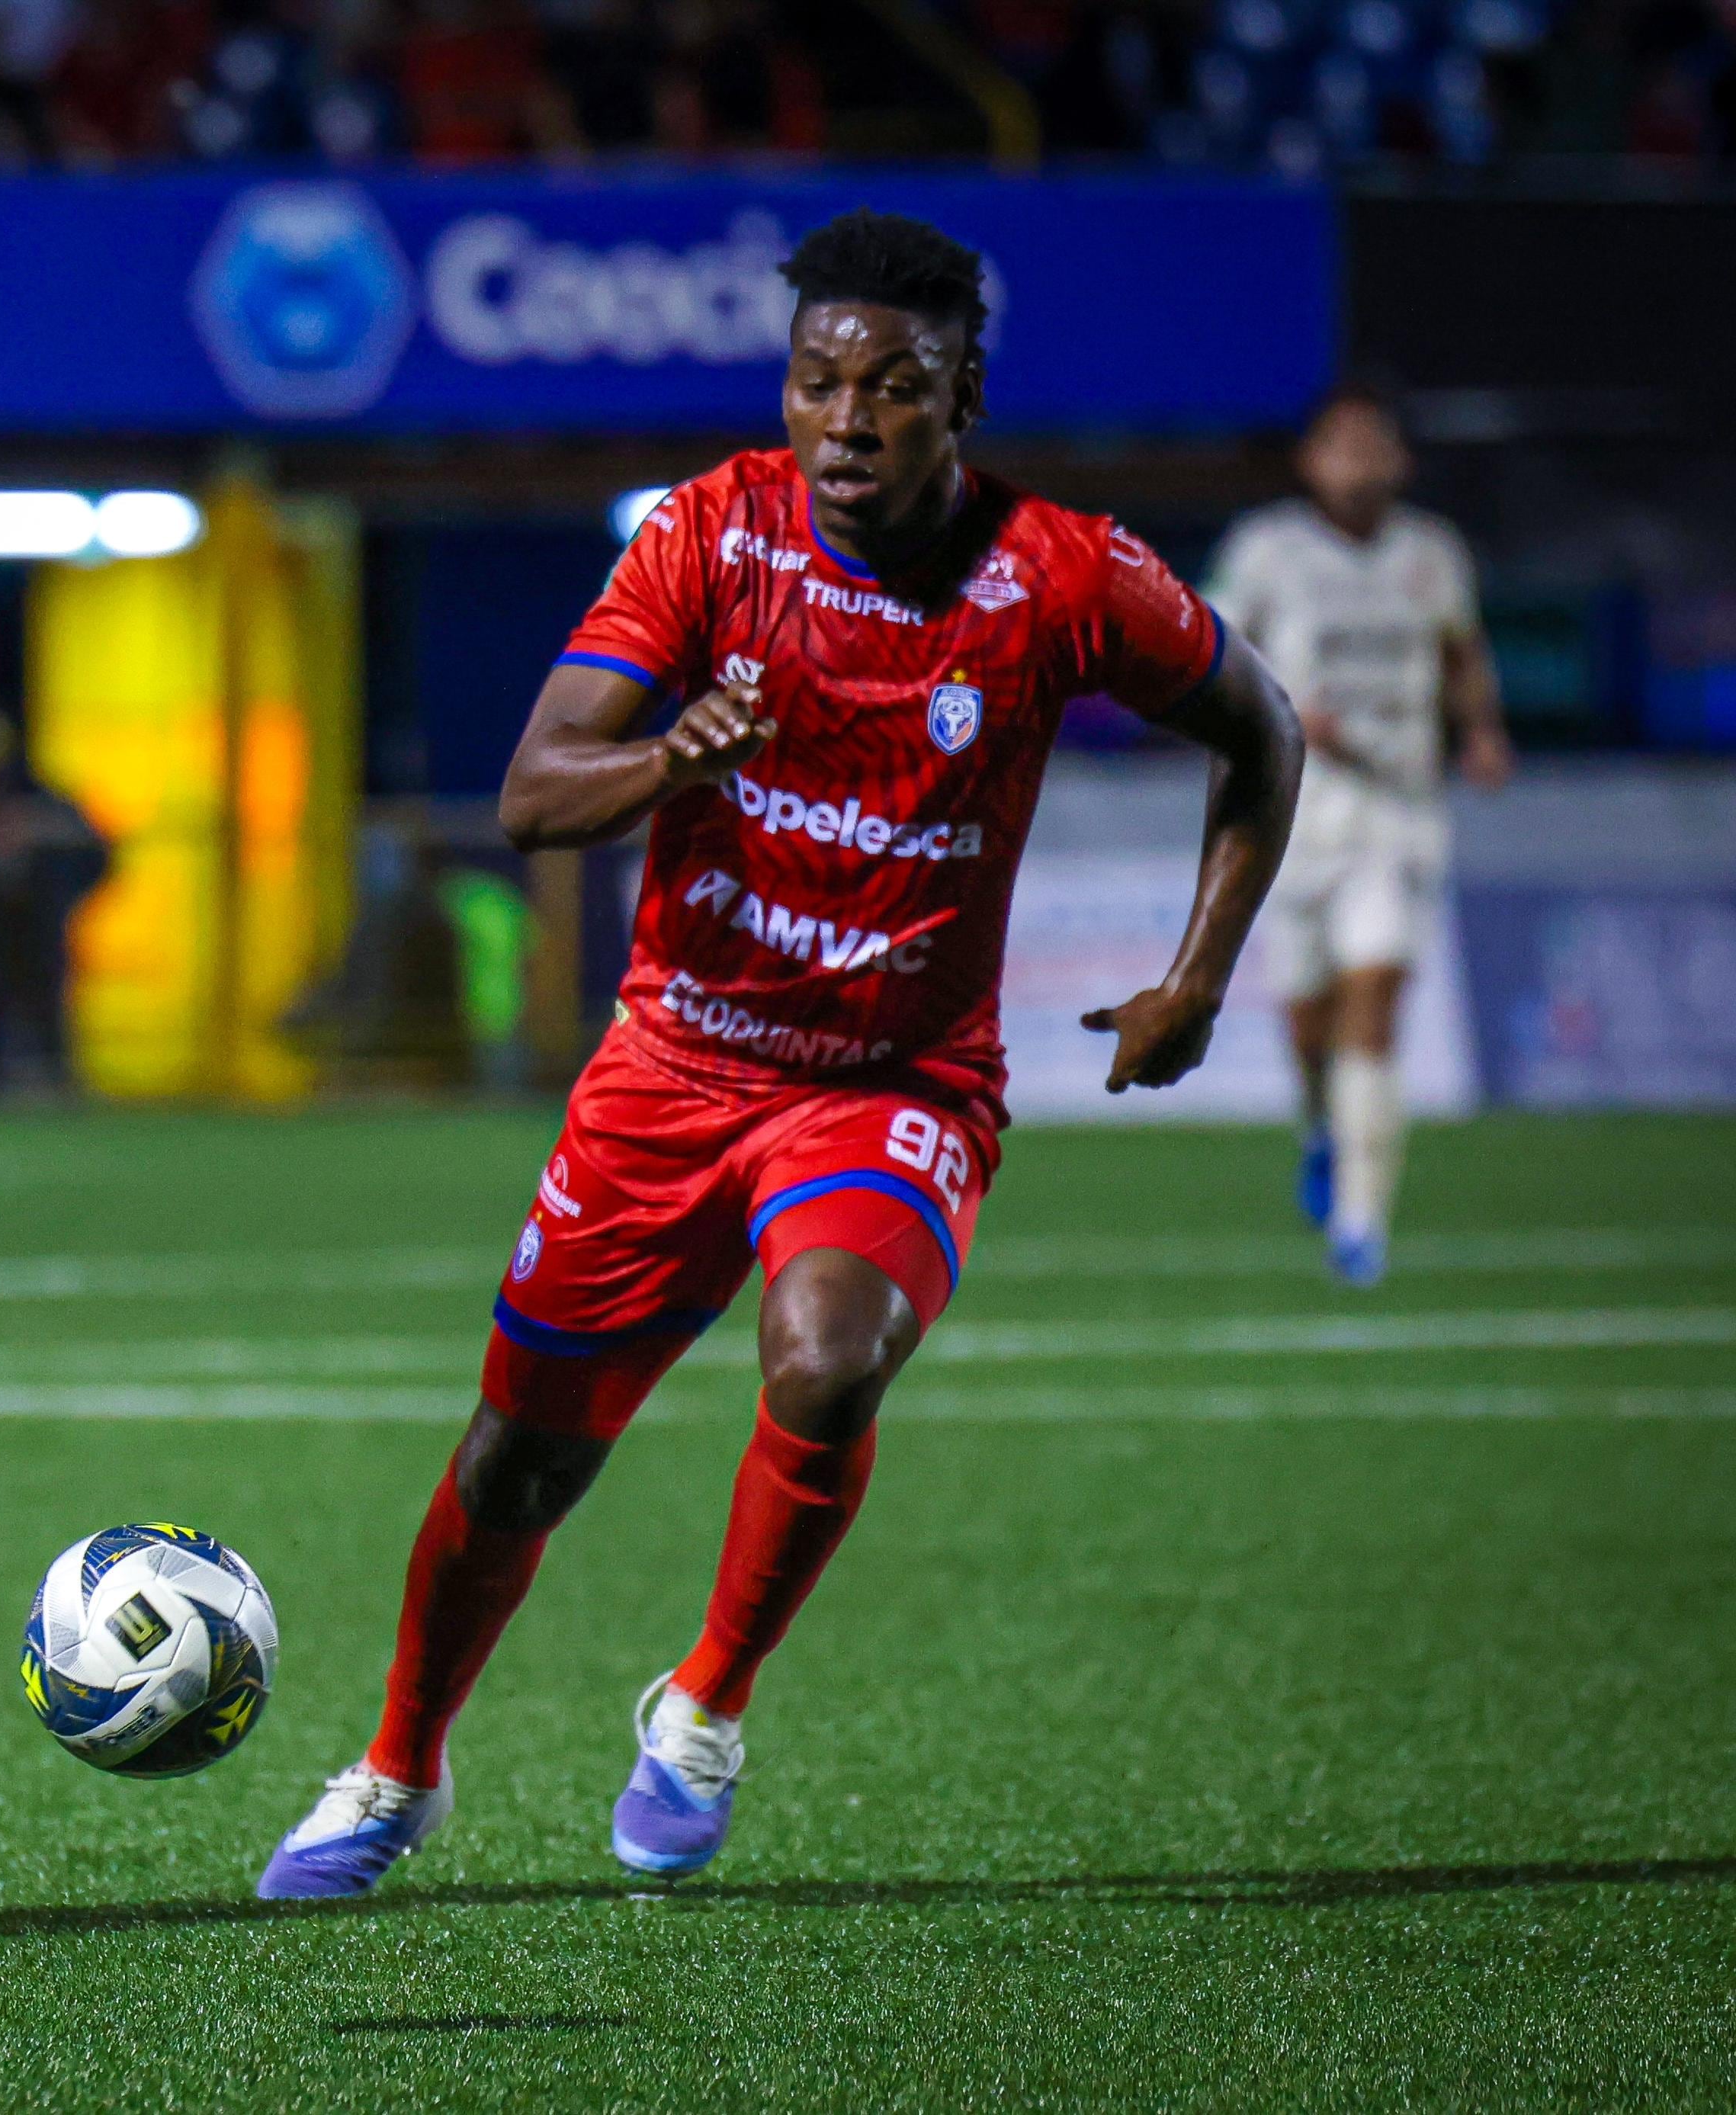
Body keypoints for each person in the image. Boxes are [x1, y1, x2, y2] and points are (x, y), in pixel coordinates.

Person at [255, 209, 1303, 1899]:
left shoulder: (1063, 576)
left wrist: (1195, 976)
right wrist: (672, 758)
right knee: (517, 1456)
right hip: (670, 1069)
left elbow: (1262, 728)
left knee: (827, 1355)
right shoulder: (707, 536)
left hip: (890, 1085)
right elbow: (533, 796)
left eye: (890, 388)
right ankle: (398, 1766)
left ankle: (702, 1708)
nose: (843, 419)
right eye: (816, 380)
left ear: (962, 396)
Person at [1205, 387, 1512, 1285]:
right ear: (1309, 460)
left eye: (1373, 444)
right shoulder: (1267, 549)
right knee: (1307, 1017)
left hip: (1398, 809)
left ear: (1399, 461)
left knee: (1373, 995)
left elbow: (1460, 653)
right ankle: (1321, 1128)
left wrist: (1482, 728)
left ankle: (1359, 1221)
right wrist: (1281, 707)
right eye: (1340, 444)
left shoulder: (1430, 553)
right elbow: (1213, 649)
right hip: (1293, 812)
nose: (1358, 460)